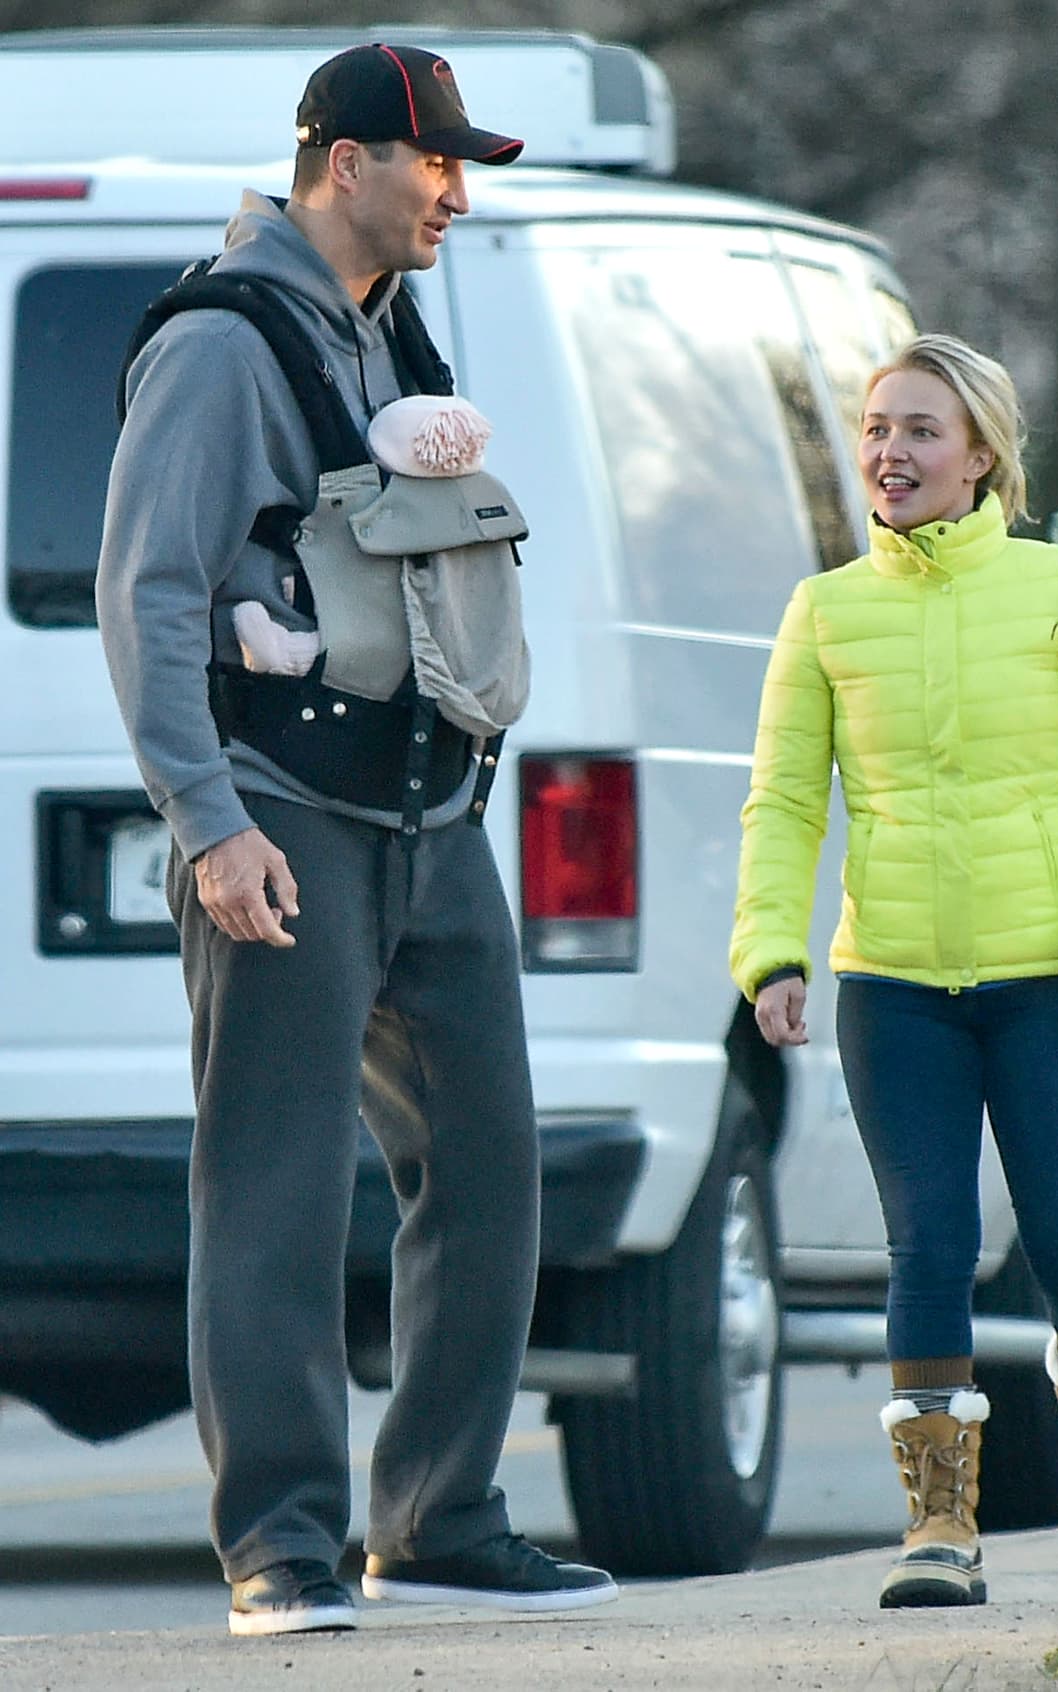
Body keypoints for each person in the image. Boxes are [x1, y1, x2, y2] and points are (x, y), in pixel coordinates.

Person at [97, 43, 617, 1637]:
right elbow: (149, 593)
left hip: (429, 811)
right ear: (342, 164)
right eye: (434, 162)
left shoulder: (391, 325)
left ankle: (440, 1516)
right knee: (273, 1181)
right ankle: (281, 1550)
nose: (458, 191)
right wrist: (209, 822)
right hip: (288, 815)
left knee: (485, 1163)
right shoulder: (223, 342)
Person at [729, 334, 1058, 1609]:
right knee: (925, 1246)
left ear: (980, 454)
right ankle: (939, 1529)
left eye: (919, 431)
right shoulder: (826, 609)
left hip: (1045, 982)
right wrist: (769, 951)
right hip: (890, 987)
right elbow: (780, 801)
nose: (888, 451)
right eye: (877, 427)